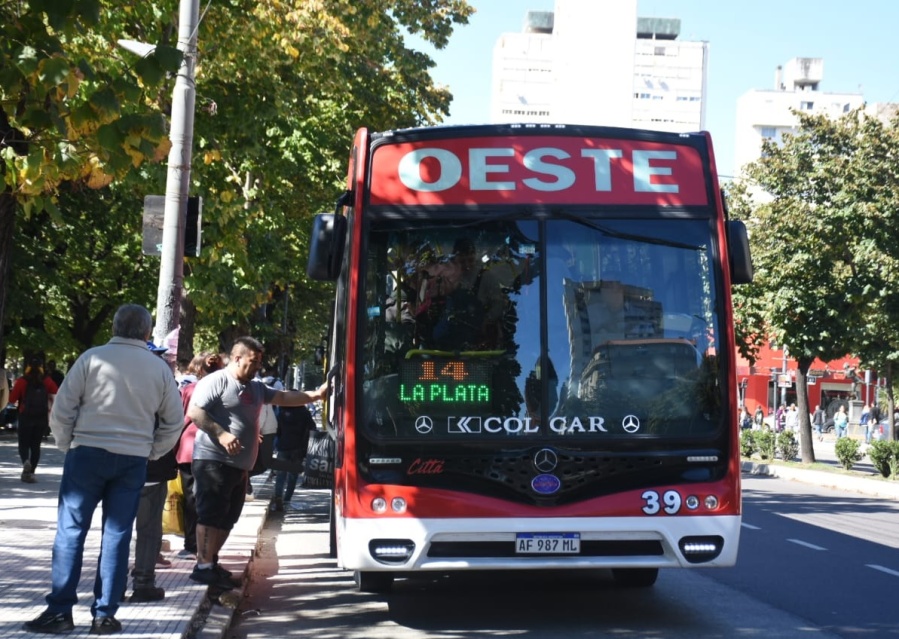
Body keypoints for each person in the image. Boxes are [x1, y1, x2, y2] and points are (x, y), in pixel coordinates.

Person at [23, 304, 184, 636]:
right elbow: (173, 421)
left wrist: (68, 444)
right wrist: (151, 450)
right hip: (133, 459)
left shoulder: (91, 358)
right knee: (117, 535)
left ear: (113, 326)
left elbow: (63, 408)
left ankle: (60, 612)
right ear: (145, 332)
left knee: (70, 532)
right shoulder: (159, 370)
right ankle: (105, 615)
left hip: (87, 453)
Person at [186, 336, 328, 590]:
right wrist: (221, 434)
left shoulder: (256, 388)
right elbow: (196, 412)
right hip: (213, 461)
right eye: (253, 362)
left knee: (229, 516)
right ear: (237, 357)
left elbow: (284, 397)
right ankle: (203, 567)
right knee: (211, 514)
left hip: (240, 466)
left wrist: (316, 395)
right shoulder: (216, 380)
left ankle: (211, 562)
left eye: (259, 363)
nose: (257, 368)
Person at [127, 341, 180, 604]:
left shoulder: (121, 378)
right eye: (161, 357)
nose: (166, 362)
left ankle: (111, 587)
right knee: (147, 528)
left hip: (119, 462)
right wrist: (155, 454)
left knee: (117, 527)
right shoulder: (162, 381)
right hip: (150, 468)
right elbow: (174, 423)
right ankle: (143, 583)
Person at [175, 352, 225, 560]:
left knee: (190, 499)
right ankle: (210, 548)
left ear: (197, 368)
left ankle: (191, 545)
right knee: (212, 499)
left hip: (188, 448)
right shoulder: (224, 389)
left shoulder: (187, 389)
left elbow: (176, 417)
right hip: (215, 449)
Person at [8, 357, 58, 483]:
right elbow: (56, 395)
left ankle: (26, 461)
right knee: (36, 445)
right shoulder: (47, 381)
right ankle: (32, 472)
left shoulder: (21, 381)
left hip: (25, 416)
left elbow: (12, 399)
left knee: (23, 444)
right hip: (41, 417)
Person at [269, 404, 315, 513]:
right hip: (298, 448)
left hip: (283, 447)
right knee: (293, 476)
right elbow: (312, 428)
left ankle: (278, 496)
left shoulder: (282, 412)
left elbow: (277, 430)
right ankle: (287, 500)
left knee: (281, 474)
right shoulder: (304, 412)